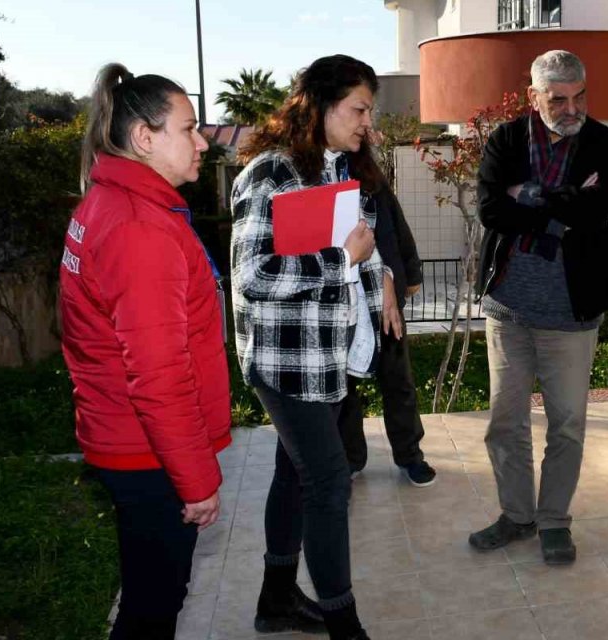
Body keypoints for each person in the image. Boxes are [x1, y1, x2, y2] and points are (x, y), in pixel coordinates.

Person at [60, 63, 230, 640]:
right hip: (146, 452)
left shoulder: (113, 202)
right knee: (154, 606)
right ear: (144, 138)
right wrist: (196, 479)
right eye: (188, 128)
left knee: (150, 596)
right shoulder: (139, 227)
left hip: (127, 439)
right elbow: (158, 375)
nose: (202, 140)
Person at [231, 54, 392, 640]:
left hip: (329, 359)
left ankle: (275, 602)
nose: (366, 123)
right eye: (359, 109)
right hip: (283, 361)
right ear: (321, 105)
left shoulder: (342, 174)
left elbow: (359, 262)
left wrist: (381, 284)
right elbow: (252, 275)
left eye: (369, 111)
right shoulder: (270, 173)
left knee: (295, 475)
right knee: (329, 480)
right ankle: (343, 623)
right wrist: (338, 260)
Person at [467, 50, 608, 565]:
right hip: (508, 310)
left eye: (580, 96)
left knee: (568, 425)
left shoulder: (603, 142)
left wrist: (527, 197)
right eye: (559, 98)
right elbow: (491, 208)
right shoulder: (507, 140)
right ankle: (517, 515)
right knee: (505, 423)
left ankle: (554, 520)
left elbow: (596, 213)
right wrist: (562, 203)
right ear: (534, 97)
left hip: (571, 316)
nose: (572, 107)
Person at [337, 161, 436, 487]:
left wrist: (411, 270)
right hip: (341, 304)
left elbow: (397, 226)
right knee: (344, 388)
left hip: (385, 303)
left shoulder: (371, 179)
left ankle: (410, 456)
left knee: (398, 381)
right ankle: (351, 459)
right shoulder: (317, 182)